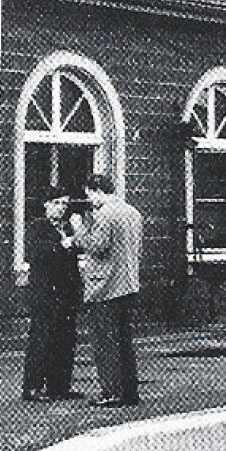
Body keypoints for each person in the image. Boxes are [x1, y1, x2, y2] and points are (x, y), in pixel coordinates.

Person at [72, 173, 144, 408]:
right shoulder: (133, 213)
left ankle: (111, 392)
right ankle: (129, 391)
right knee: (124, 340)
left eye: (89, 194)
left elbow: (97, 247)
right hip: (129, 284)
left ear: (96, 191)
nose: (90, 200)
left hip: (105, 287)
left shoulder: (105, 214)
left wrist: (79, 229)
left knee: (105, 342)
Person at [21, 185, 83, 401]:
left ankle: (59, 386)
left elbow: (76, 254)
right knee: (42, 337)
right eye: (57, 203)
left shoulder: (67, 227)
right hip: (46, 291)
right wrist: (62, 245)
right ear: (47, 205)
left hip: (66, 291)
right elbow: (36, 254)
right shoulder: (37, 227)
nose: (61, 208)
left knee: (65, 338)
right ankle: (33, 387)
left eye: (65, 204)